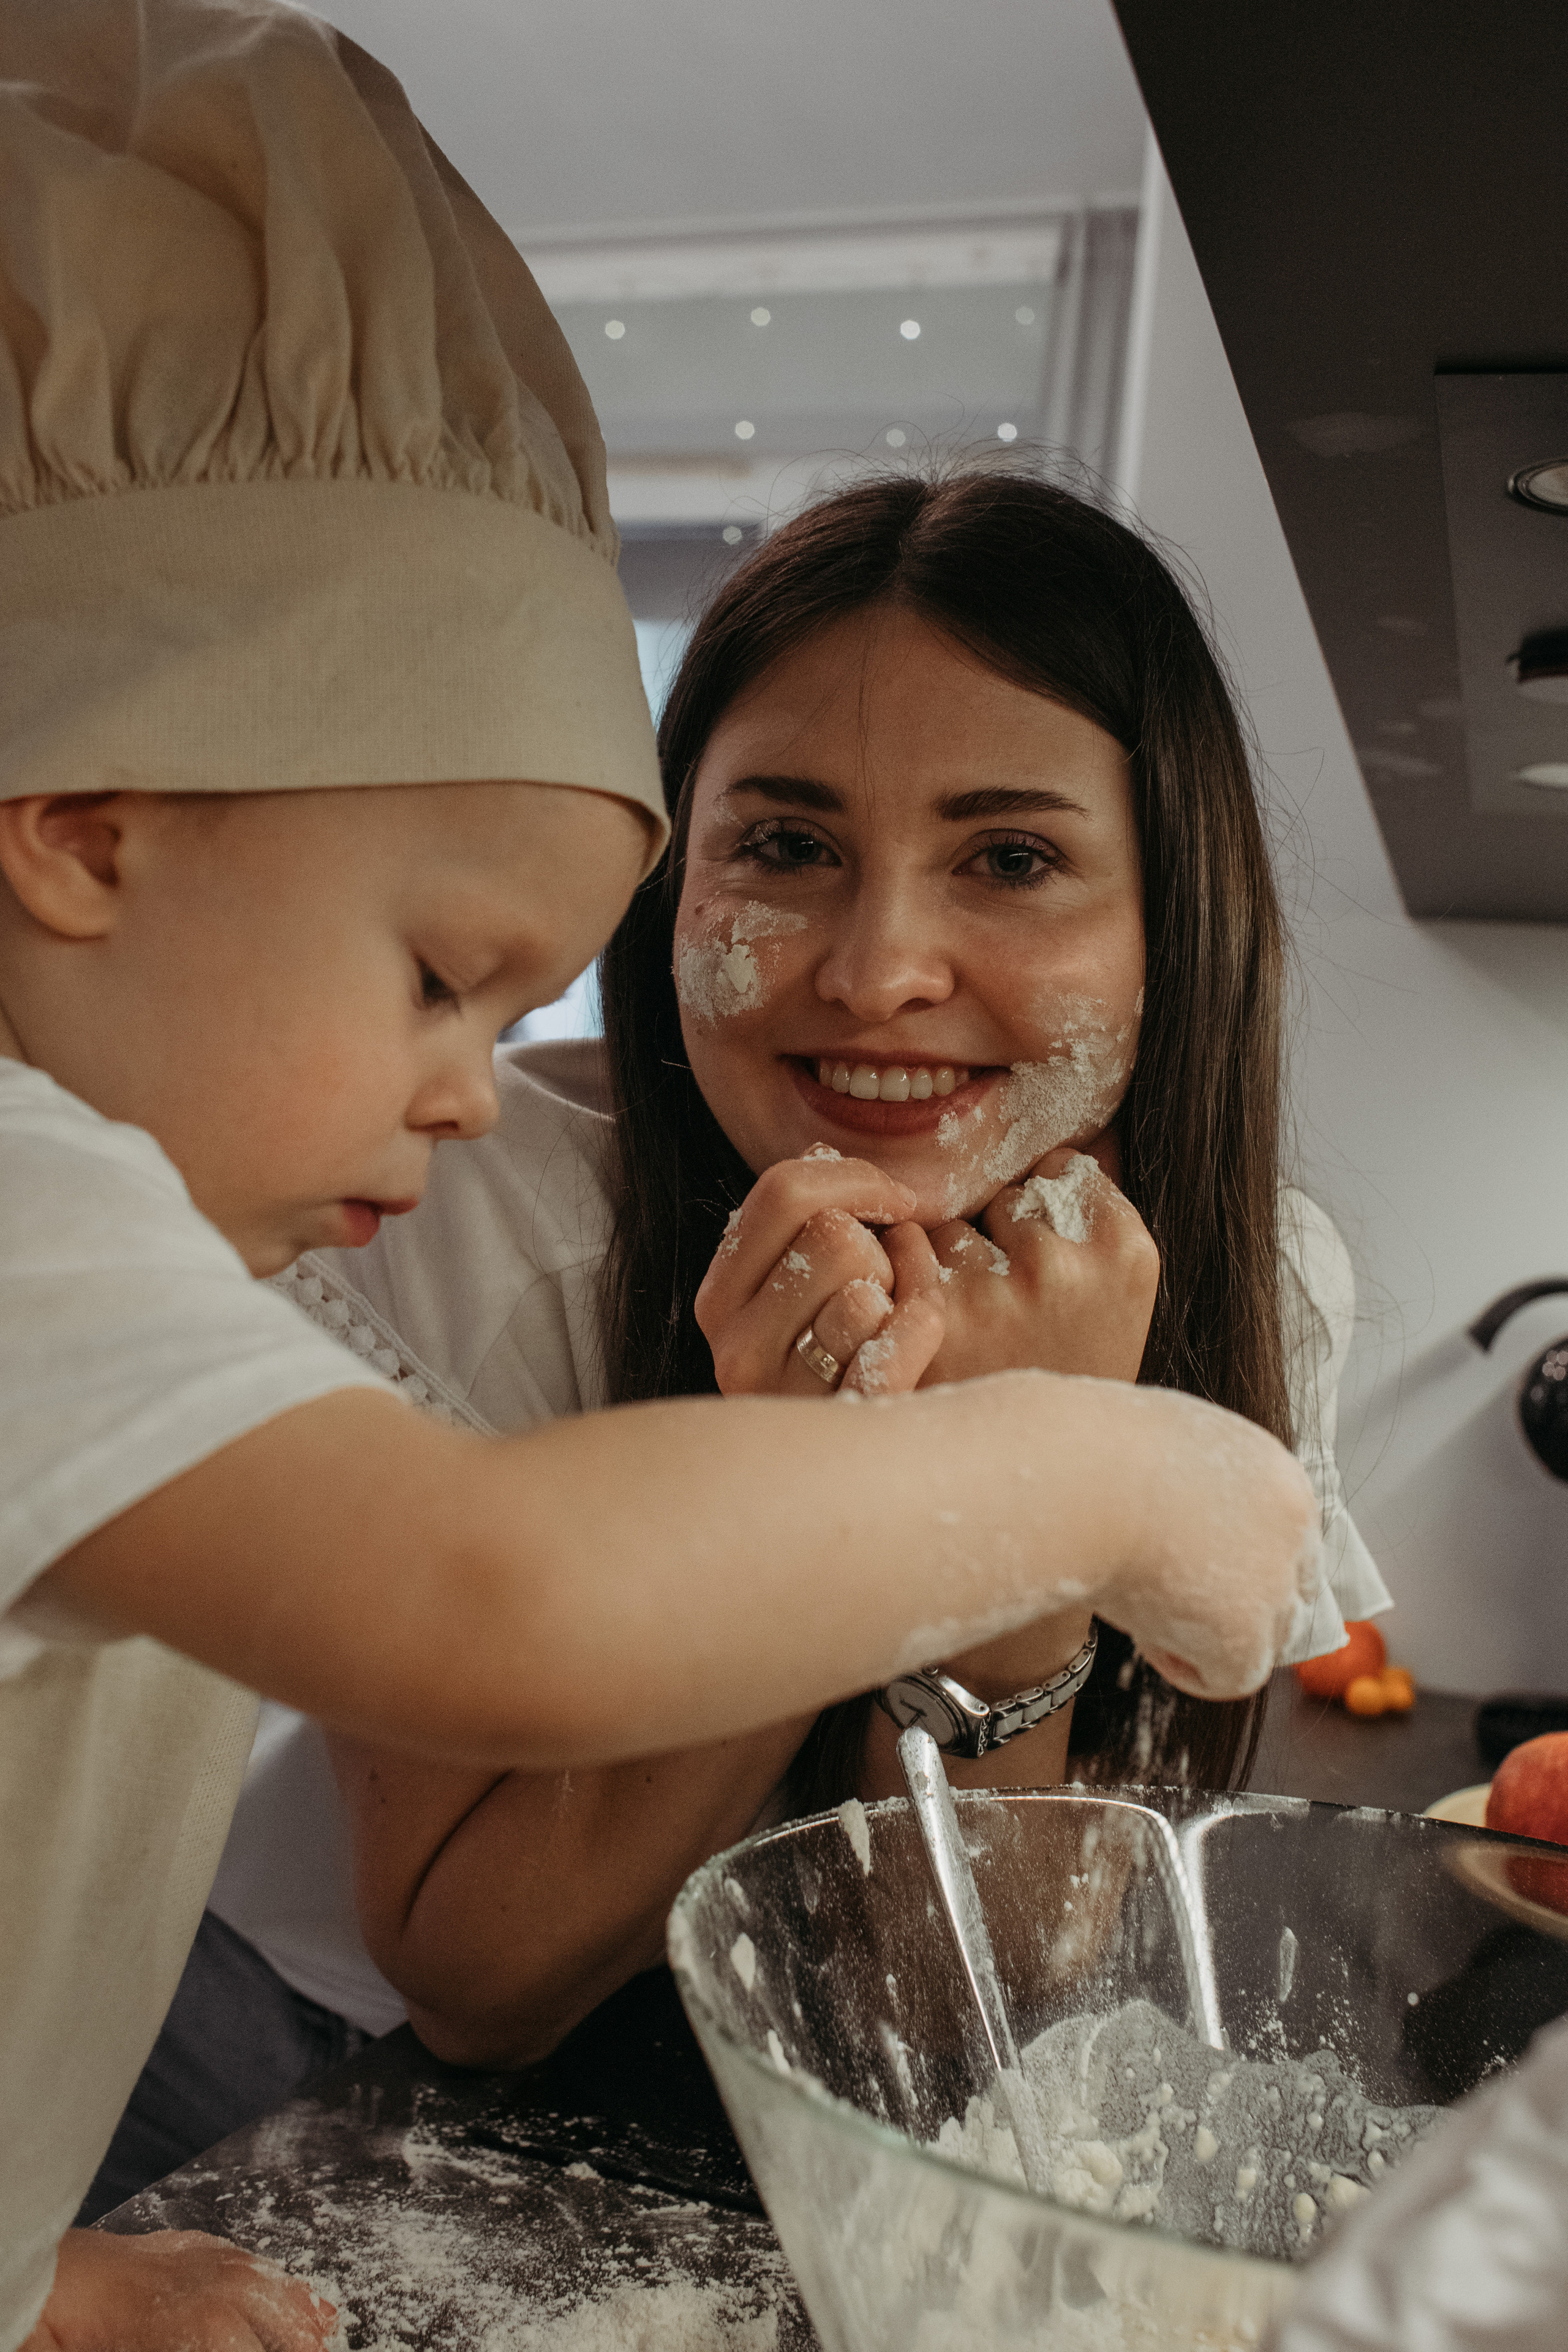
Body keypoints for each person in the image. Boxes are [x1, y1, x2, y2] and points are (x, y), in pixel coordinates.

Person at [0, 12, 1321, 2350]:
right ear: (82, 837)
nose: (879, 965)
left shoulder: (159, 1203)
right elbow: (487, 1604)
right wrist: (1070, 1475)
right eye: (433, 974)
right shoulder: (65, 1211)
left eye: (1010, 858)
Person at [110, 469, 1378, 2187]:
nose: (877, 971)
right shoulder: (468, 1213)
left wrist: (1018, 1538)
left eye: (1010, 859)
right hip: (305, 2067)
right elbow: (480, 1985)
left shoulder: (1255, 1276)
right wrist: (823, 1470)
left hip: (790, 2113)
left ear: (1177, 917)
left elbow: (962, 2030)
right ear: (673, 877)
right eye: (786, 848)